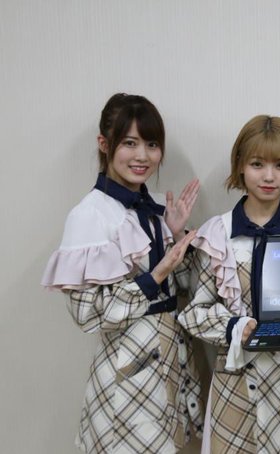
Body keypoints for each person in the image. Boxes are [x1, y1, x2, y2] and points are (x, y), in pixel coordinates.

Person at [41, 93, 204, 453]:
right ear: (104, 143)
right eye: (130, 143)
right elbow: (88, 314)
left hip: (172, 364)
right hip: (126, 372)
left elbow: (188, 288)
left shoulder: (159, 206)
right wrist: (154, 276)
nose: (142, 156)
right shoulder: (90, 215)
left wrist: (175, 232)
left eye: (151, 144)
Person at [178, 115, 280, 453]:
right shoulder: (216, 234)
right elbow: (195, 312)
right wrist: (235, 327)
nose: (269, 176)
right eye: (257, 164)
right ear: (240, 165)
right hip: (236, 384)